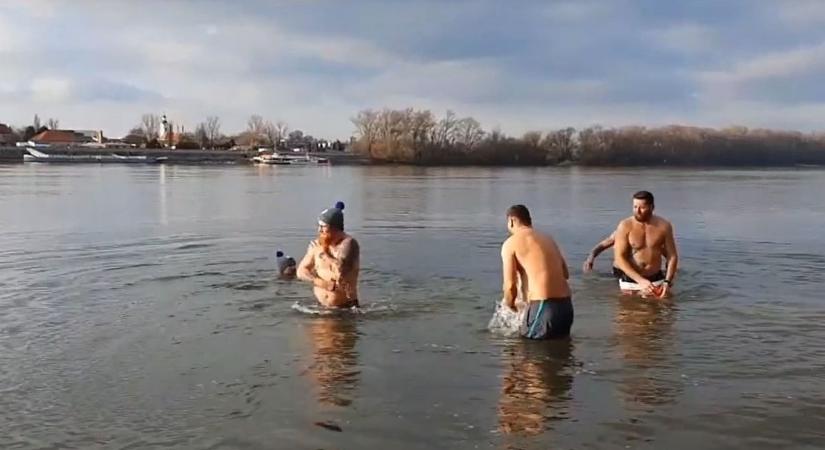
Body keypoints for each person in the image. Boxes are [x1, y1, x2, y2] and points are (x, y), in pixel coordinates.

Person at [501, 204, 573, 339]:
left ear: (511, 220)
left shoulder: (510, 244)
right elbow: (565, 274)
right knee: (562, 355)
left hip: (543, 307)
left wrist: (510, 306)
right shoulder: (548, 238)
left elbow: (510, 286)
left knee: (528, 353)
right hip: (566, 307)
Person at [612, 191, 679, 298]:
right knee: (628, 312)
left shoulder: (664, 226)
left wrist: (667, 281)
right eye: (635, 207)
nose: (637, 211)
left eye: (642, 207)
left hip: (656, 278)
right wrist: (641, 281)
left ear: (652, 207)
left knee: (661, 311)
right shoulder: (625, 225)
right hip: (631, 281)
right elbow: (619, 258)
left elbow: (672, 256)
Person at [297, 203, 360, 308]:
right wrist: (319, 282)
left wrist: (324, 252)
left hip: (344, 308)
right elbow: (301, 271)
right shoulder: (318, 244)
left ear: (334, 227)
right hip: (320, 306)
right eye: (319, 226)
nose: (319, 230)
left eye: (323, 226)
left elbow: (340, 269)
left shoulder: (349, 244)